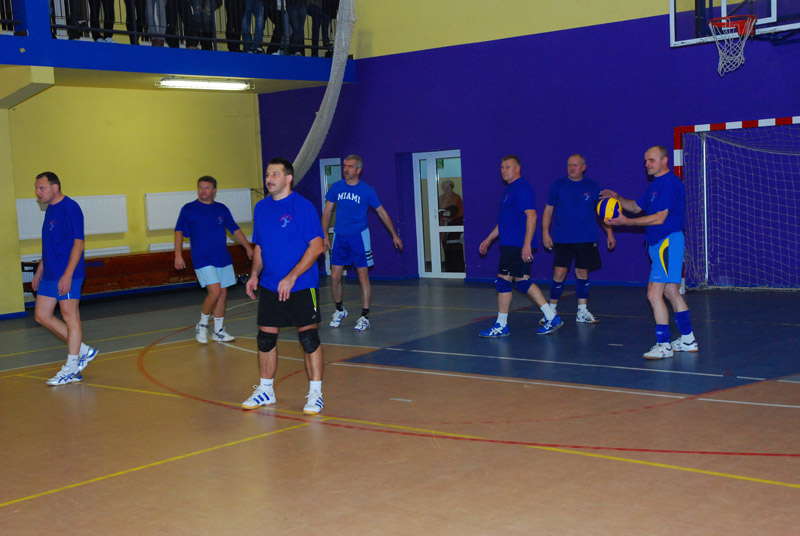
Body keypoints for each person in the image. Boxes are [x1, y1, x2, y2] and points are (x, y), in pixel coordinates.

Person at [242, 158, 326, 414]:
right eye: (268, 174)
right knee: (265, 339)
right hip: (269, 284)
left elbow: (317, 247)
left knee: (309, 339)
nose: (269, 179)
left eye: (275, 174)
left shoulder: (303, 207)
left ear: (288, 178)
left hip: (301, 284)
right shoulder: (261, 208)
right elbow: (260, 246)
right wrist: (254, 274)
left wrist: (291, 277)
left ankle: (315, 394)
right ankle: (266, 390)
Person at [601, 145, 698, 360]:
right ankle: (688, 339)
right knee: (671, 292)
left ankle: (663, 345)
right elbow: (636, 207)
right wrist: (617, 198)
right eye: (646, 161)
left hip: (667, 241)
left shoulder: (670, 183)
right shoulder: (655, 186)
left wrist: (626, 222)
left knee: (654, 293)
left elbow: (660, 218)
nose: (647, 164)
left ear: (665, 160)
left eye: (651, 160)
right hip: (659, 243)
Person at [478, 155, 563, 337]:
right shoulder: (509, 191)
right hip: (510, 244)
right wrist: (489, 239)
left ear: (517, 169)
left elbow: (532, 216)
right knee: (515, 282)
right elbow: (505, 222)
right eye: (502, 167)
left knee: (511, 282)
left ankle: (505, 324)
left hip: (517, 245)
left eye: (508, 167)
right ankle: (548, 317)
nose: (504, 170)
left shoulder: (522, 188)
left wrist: (526, 245)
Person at [321, 154, 403, 332]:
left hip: (359, 236)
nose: (346, 169)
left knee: (362, 275)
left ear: (358, 170)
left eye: (350, 166)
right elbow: (327, 212)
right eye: (345, 166)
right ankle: (339, 310)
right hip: (340, 236)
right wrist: (324, 234)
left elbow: (382, 213)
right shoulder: (336, 187)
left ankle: (364, 316)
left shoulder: (367, 191)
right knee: (334, 277)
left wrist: (394, 235)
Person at [31, 172, 99, 386]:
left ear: (55, 187)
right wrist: (40, 270)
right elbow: (50, 244)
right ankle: (83, 350)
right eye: (37, 188)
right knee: (42, 315)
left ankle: (72, 368)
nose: (38, 192)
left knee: (70, 316)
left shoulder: (71, 208)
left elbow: (79, 242)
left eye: (42, 188)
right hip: (50, 272)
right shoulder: (50, 209)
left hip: (68, 273)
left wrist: (68, 274)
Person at [174, 175, 254, 344]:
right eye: (200, 187)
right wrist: (178, 254)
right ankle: (202, 325)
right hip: (202, 257)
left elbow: (235, 229)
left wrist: (248, 247)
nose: (203, 191)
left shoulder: (221, 209)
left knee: (223, 293)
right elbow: (179, 231)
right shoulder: (189, 209)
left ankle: (218, 331)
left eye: (207, 188)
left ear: (214, 190)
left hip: (222, 257)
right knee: (215, 292)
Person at [541, 154, 615, 324]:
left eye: (575, 165)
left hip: (586, 238)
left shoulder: (593, 187)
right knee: (559, 273)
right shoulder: (557, 185)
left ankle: (582, 311)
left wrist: (609, 233)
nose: (572, 168)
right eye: (569, 165)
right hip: (562, 238)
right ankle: (551, 311)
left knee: (582, 272)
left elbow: (602, 213)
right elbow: (548, 210)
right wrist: (545, 232)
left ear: (583, 167)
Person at [438, 179, 464, 272]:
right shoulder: (440, 198)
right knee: (446, 247)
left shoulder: (457, 197)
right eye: (445, 187)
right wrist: (442, 220)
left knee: (456, 247)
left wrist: (452, 219)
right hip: (443, 226)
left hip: (455, 225)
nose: (447, 188)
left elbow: (460, 213)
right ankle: (449, 269)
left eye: (449, 186)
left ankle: (458, 268)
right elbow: (438, 212)